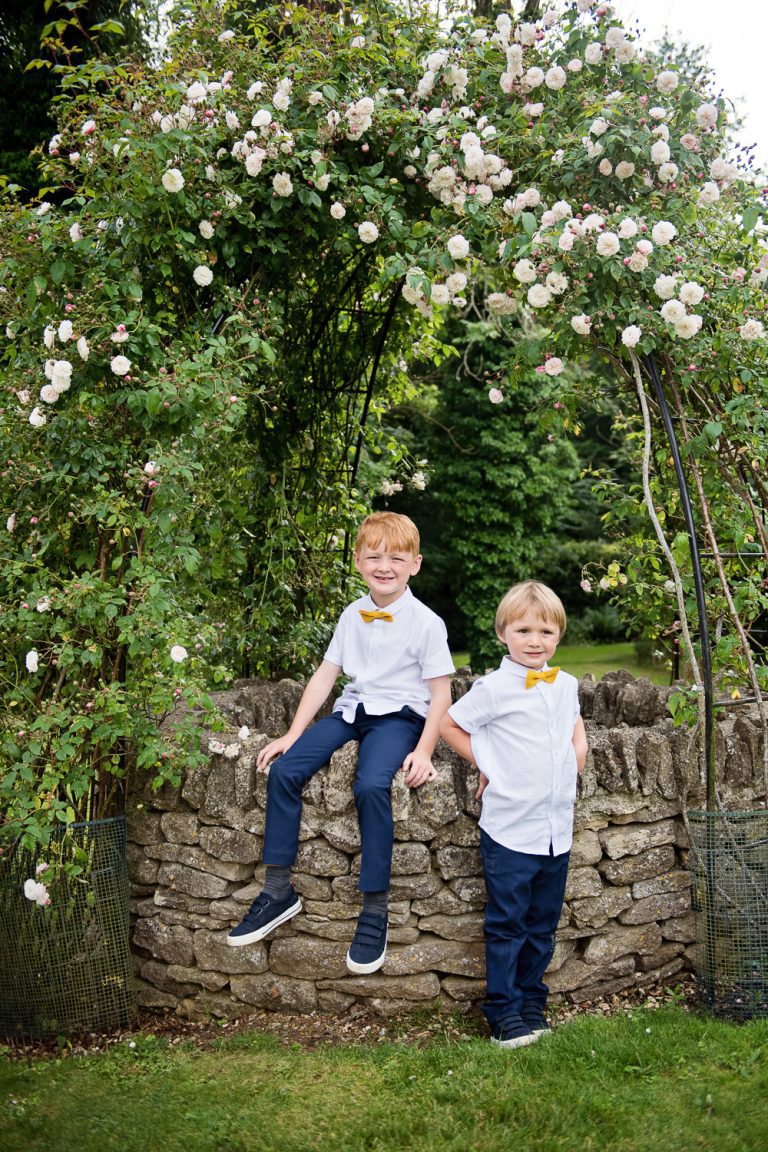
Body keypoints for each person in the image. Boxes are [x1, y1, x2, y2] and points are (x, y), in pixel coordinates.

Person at [227, 511, 454, 975]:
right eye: (374, 557)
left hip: (398, 719)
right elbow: (326, 675)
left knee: (371, 785)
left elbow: (440, 694)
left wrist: (426, 749)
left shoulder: (427, 623)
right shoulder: (352, 614)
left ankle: (374, 909)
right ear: (358, 562)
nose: (384, 566)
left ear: (415, 564)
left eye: (396, 557)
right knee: (285, 770)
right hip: (352, 711)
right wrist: (293, 733)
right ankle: (277, 891)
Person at [439, 580, 587, 1049]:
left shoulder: (565, 685)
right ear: (503, 632)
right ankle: (503, 1010)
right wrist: (489, 765)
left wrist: (573, 761)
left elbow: (575, 729)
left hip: (555, 830)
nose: (534, 640)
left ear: (558, 636)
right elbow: (449, 724)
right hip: (510, 830)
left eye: (545, 631)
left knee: (542, 924)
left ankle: (531, 1001)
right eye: (523, 630)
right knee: (508, 923)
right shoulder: (493, 687)